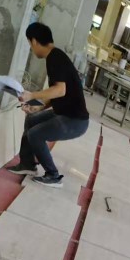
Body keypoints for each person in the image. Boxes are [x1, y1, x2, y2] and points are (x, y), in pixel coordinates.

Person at [6, 22, 89, 188]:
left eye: (30, 44)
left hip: (74, 120)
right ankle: (27, 164)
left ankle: (53, 175)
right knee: (32, 120)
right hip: (65, 113)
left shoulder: (55, 58)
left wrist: (32, 95)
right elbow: (57, 92)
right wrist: (39, 107)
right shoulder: (55, 57)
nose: (31, 49)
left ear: (34, 41)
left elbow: (60, 90)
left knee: (35, 134)